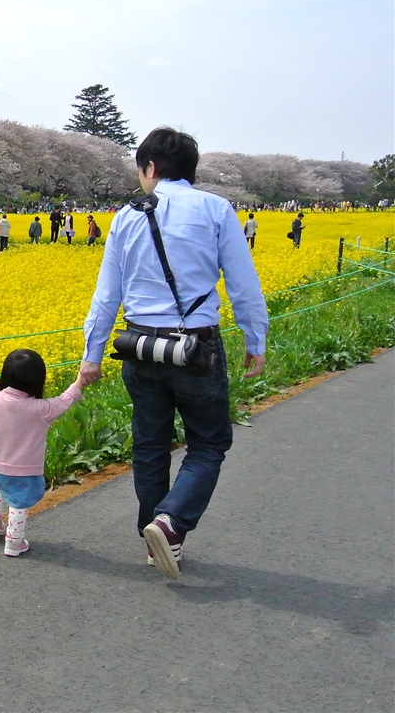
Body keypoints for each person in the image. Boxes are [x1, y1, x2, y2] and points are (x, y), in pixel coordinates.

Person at [80, 127, 269, 579]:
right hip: (195, 348)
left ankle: (158, 537)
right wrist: (254, 339)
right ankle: (169, 524)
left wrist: (93, 353)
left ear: (150, 168)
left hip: (140, 345)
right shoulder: (216, 210)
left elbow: (107, 295)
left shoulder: (126, 217)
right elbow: (242, 283)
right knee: (209, 443)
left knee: (150, 445)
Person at [0, 349, 89, 556]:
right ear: (38, 381)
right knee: (20, 501)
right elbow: (64, 400)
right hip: (23, 469)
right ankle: (14, 541)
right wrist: (80, 382)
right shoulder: (40, 409)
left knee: (4, 487)